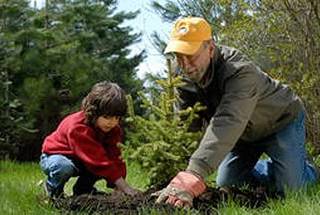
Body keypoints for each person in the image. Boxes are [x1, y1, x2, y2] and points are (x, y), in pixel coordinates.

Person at [155, 17, 319, 207]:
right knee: (227, 182)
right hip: (242, 134)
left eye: (190, 55)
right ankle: (281, 167)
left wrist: (195, 172)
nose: (185, 65)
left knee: (291, 188)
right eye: (178, 56)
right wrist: (179, 168)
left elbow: (229, 120)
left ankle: (307, 169)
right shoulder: (182, 75)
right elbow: (186, 124)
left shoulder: (239, 71)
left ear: (210, 48)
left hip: (280, 122)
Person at [40, 81, 140, 199]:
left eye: (116, 117)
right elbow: (97, 160)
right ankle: (52, 192)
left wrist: (118, 186)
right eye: (106, 117)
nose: (112, 122)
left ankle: (83, 191)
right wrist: (124, 186)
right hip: (57, 156)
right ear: (93, 112)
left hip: (85, 159)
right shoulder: (78, 127)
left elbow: (116, 157)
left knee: (104, 165)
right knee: (64, 167)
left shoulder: (113, 130)